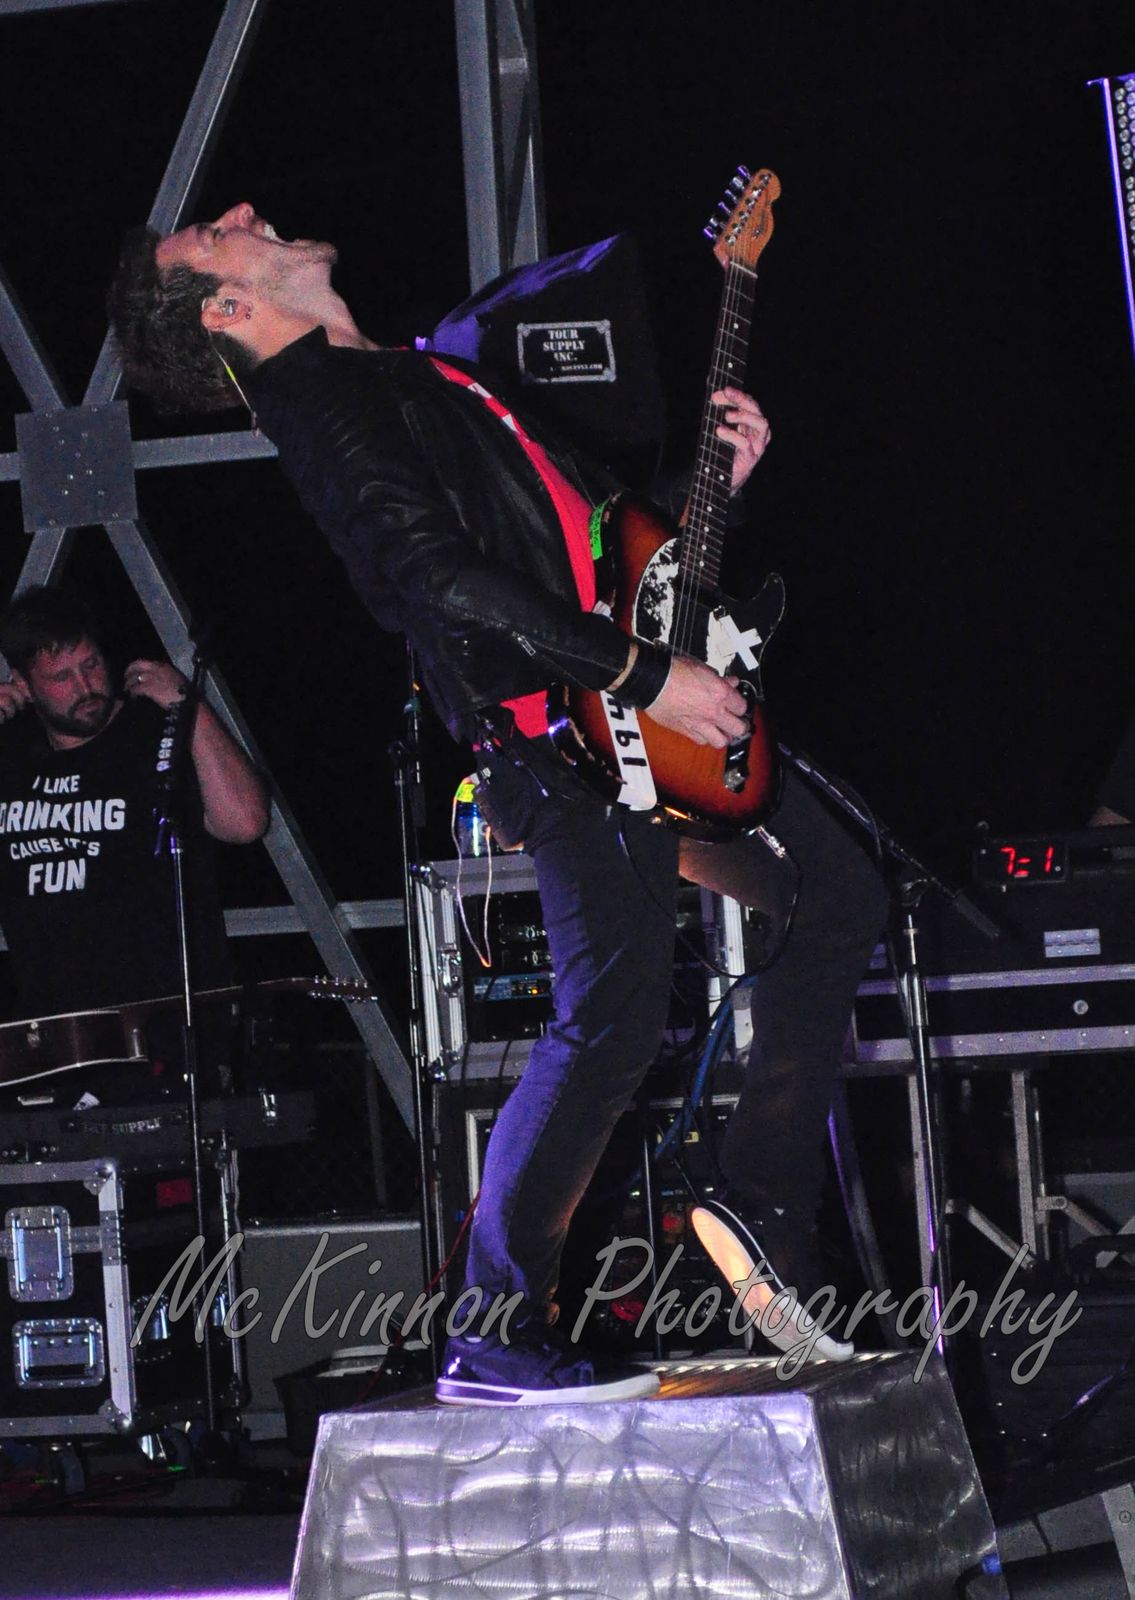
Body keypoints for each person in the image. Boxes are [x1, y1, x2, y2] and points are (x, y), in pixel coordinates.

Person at [108, 202, 889, 1404]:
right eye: (216, 234)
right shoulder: (321, 400)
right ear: (226, 308)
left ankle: (763, 1203)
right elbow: (436, 578)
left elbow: (578, 540)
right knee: (611, 1018)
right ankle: (489, 1330)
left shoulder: (405, 370)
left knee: (830, 894)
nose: (247, 213)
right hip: (561, 737)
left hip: (618, 710)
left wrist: (702, 495)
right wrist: (645, 677)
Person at [0, 587, 269, 1090]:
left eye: (91, 665)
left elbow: (245, 822)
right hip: (51, 1040)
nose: (85, 686)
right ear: (23, 684)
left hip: (162, 1036)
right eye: (61, 677)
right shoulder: (12, 754)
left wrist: (189, 707)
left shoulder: (153, 733)